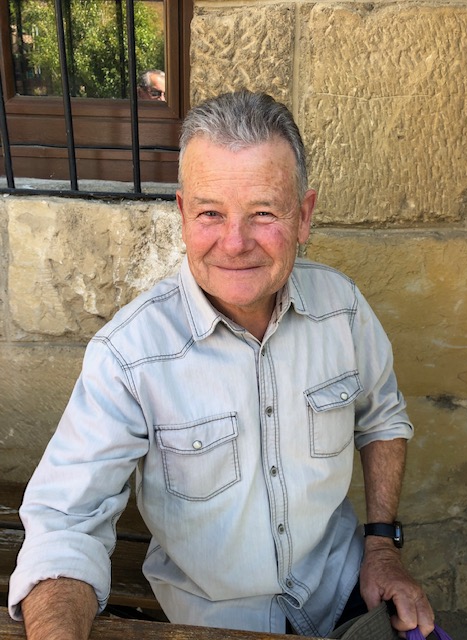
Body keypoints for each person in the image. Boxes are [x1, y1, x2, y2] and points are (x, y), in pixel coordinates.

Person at [9, 89, 435, 640]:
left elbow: (382, 419)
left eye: (263, 213)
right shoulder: (129, 356)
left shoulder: (344, 310)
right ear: (183, 215)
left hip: (341, 594)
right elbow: (65, 525)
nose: (234, 243)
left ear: (304, 216)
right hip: (213, 623)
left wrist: (381, 546)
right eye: (211, 213)